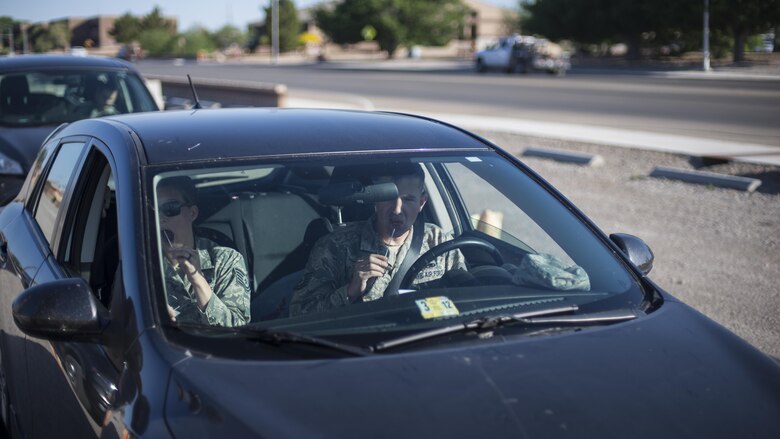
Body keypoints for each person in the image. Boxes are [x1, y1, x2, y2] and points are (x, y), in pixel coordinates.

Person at [290, 164, 466, 316]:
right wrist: (351, 290)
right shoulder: (335, 247)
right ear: (375, 200)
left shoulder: (438, 241)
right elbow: (298, 314)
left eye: (408, 200)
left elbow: (467, 298)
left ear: (422, 202)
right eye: (389, 198)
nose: (397, 210)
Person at [158, 176, 251, 326]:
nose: (160, 217)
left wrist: (197, 279)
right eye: (153, 210)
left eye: (170, 208)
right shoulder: (140, 265)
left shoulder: (225, 259)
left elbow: (237, 328)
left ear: (192, 213)